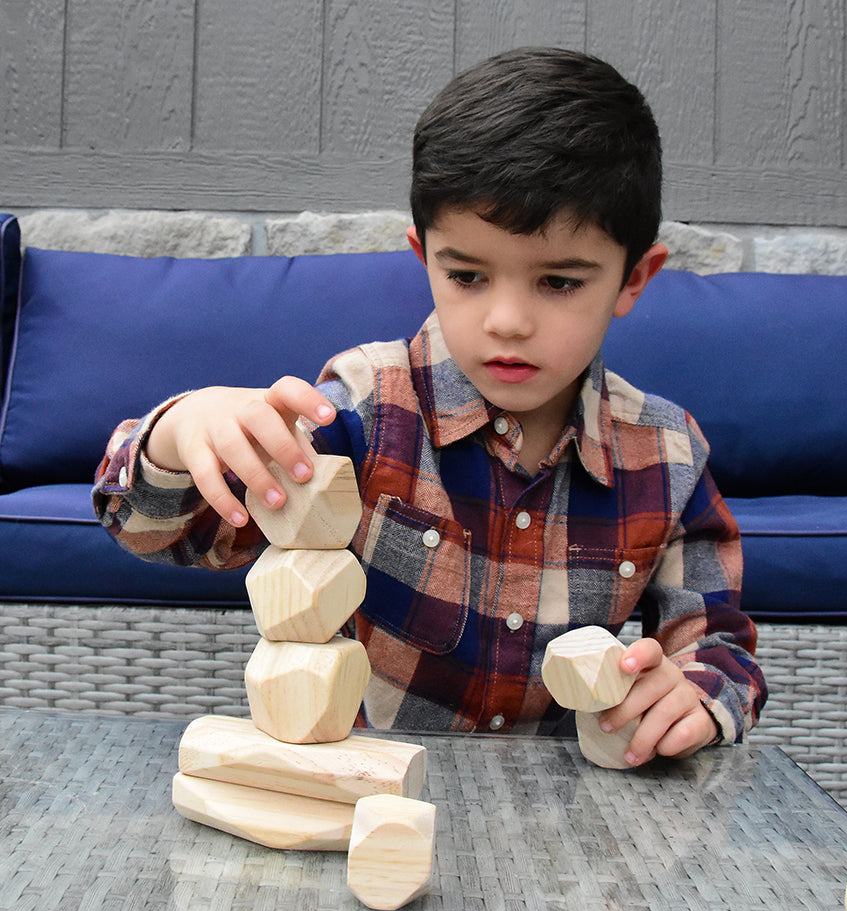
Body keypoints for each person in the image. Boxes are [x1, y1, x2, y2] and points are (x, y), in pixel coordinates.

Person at [93, 47, 766, 762]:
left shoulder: (666, 454)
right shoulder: (362, 410)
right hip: (366, 792)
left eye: (560, 282)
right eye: (468, 275)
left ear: (635, 278)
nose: (507, 320)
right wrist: (179, 431)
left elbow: (717, 644)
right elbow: (152, 528)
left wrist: (694, 698)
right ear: (424, 259)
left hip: (561, 818)